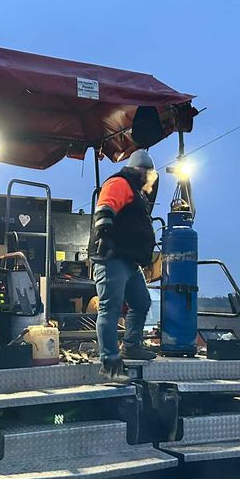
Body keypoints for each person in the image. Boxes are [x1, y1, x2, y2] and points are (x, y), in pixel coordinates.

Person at [89, 149, 159, 379]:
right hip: (113, 257)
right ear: (141, 170)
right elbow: (105, 208)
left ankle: (131, 346)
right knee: (110, 308)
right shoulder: (120, 183)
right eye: (148, 173)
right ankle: (109, 363)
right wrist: (105, 234)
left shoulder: (134, 190)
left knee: (141, 302)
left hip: (127, 259)